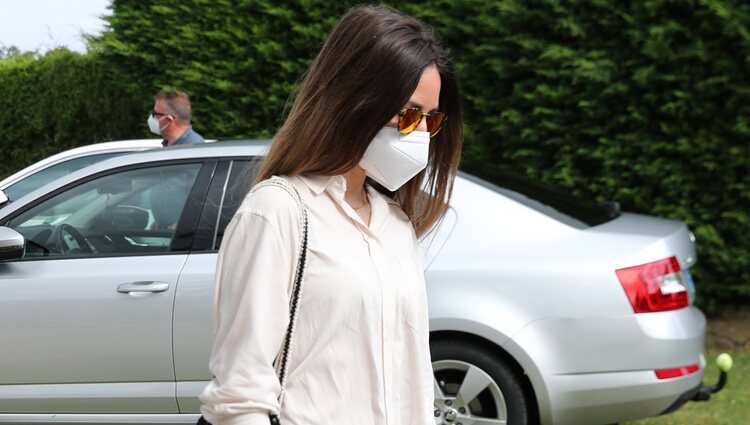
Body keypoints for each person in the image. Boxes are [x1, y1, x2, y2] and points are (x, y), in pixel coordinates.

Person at [199, 5, 462, 425]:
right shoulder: (277, 211)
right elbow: (240, 393)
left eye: (430, 120)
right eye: (408, 113)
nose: (419, 133)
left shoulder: (393, 223)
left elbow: (410, 377)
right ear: (355, 98)